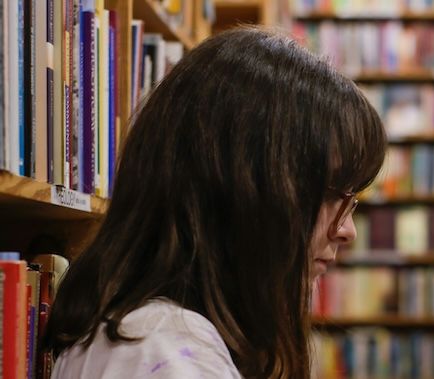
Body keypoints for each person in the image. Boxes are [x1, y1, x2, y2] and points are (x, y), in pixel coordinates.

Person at [43, 26, 387, 379]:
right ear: (243, 185)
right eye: (331, 194)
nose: (348, 231)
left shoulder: (153, 335)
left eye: (351, 201)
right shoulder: (161, 354)